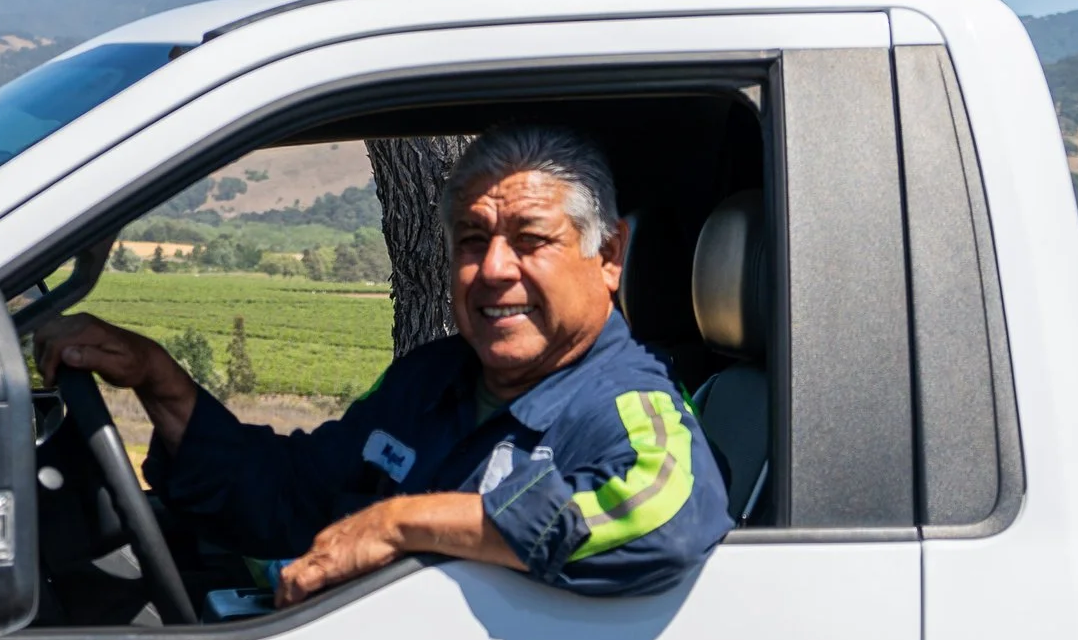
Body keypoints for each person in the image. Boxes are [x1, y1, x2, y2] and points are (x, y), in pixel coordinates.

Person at [36, 125, 731, 607]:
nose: (492, 269)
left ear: (609, 255)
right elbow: (296, 496)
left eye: (530, 240)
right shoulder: (428, 380)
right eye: (471, 239)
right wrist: (165, 384)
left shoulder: (634, 409)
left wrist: (401, 523)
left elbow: (665, 522)